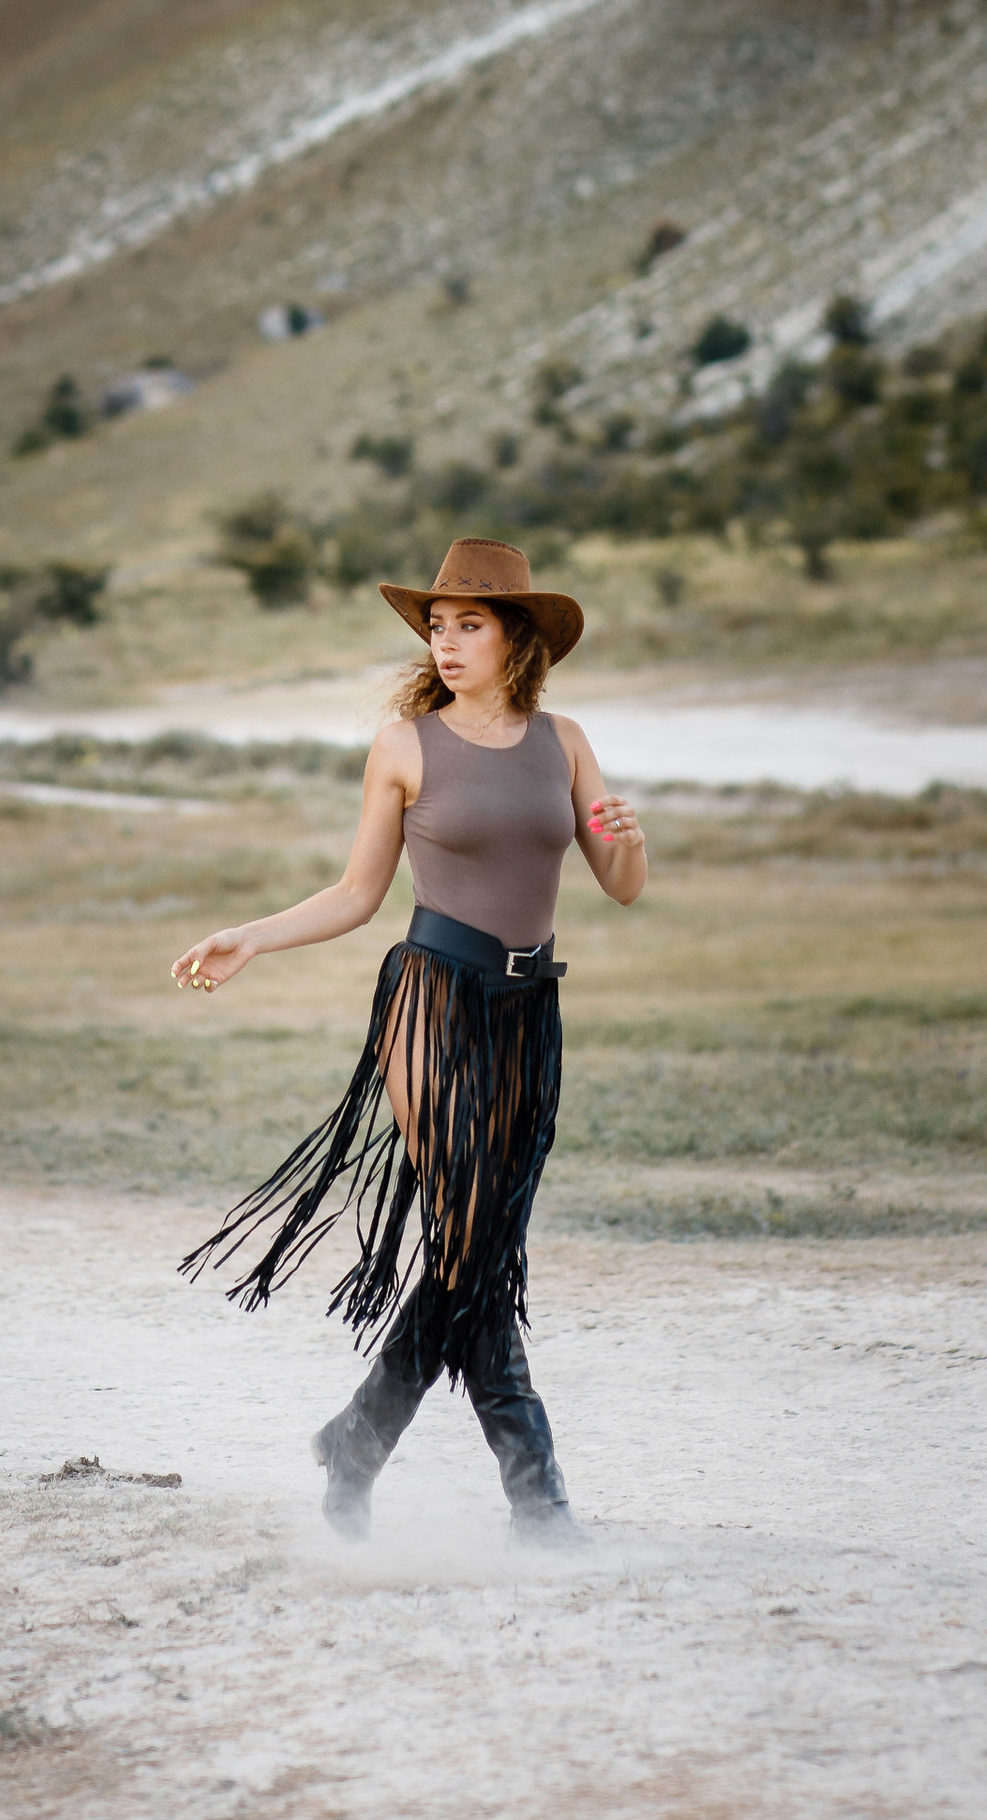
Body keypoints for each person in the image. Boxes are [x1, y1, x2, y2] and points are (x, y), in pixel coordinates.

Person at [170, 535, 646, 1541]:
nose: (447, 642)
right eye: (437, 625)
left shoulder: (562, 742)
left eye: (468, 624)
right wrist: (248, 936)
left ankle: (359, 1438)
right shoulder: (403, 745)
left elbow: (619, 882)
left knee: (477, 1256)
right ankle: (540, 1503)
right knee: (476, 1246)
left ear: (518, 636)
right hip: (433, 999)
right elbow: (356, 893)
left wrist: (630, 840)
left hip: (529, 1015)